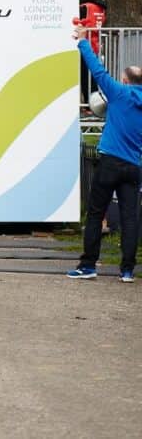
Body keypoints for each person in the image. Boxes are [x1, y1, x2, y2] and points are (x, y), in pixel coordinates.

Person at [68, 23, 142, 282]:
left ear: (124, 80)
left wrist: (82, 40)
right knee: (130, 218)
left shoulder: (118, 93)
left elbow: (96, 70)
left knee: (96, 212)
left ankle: (88, 265)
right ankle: (127, 270)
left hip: (110, 162)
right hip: (134, 166)